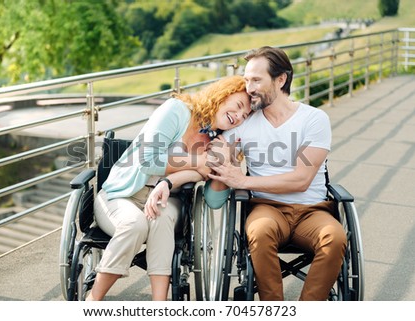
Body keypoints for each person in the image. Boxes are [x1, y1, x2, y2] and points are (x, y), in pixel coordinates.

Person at [86, 75, 252, 301]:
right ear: (223, 94)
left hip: (168, 198)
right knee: (135, 224)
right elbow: (147, 159)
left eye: (245, 116)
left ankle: (160, 304)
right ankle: (93, 300)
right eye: (239, 105)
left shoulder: (217, 139)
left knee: (161, 218)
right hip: (123, 194)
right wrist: (199, 162)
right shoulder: (178, 110)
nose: (239, 117)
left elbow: (206, 186)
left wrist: (168, 182)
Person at [205, 46, 347, 301]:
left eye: (256, 80)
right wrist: (223, 154)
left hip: (312, 210)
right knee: (259, 232)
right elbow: (218, 148)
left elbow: (302, 180)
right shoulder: (246, 121)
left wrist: (242, 180)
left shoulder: (314, 119)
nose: (249, 88)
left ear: (281, 79)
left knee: (335, 238)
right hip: (266, 208)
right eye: (247, 80)